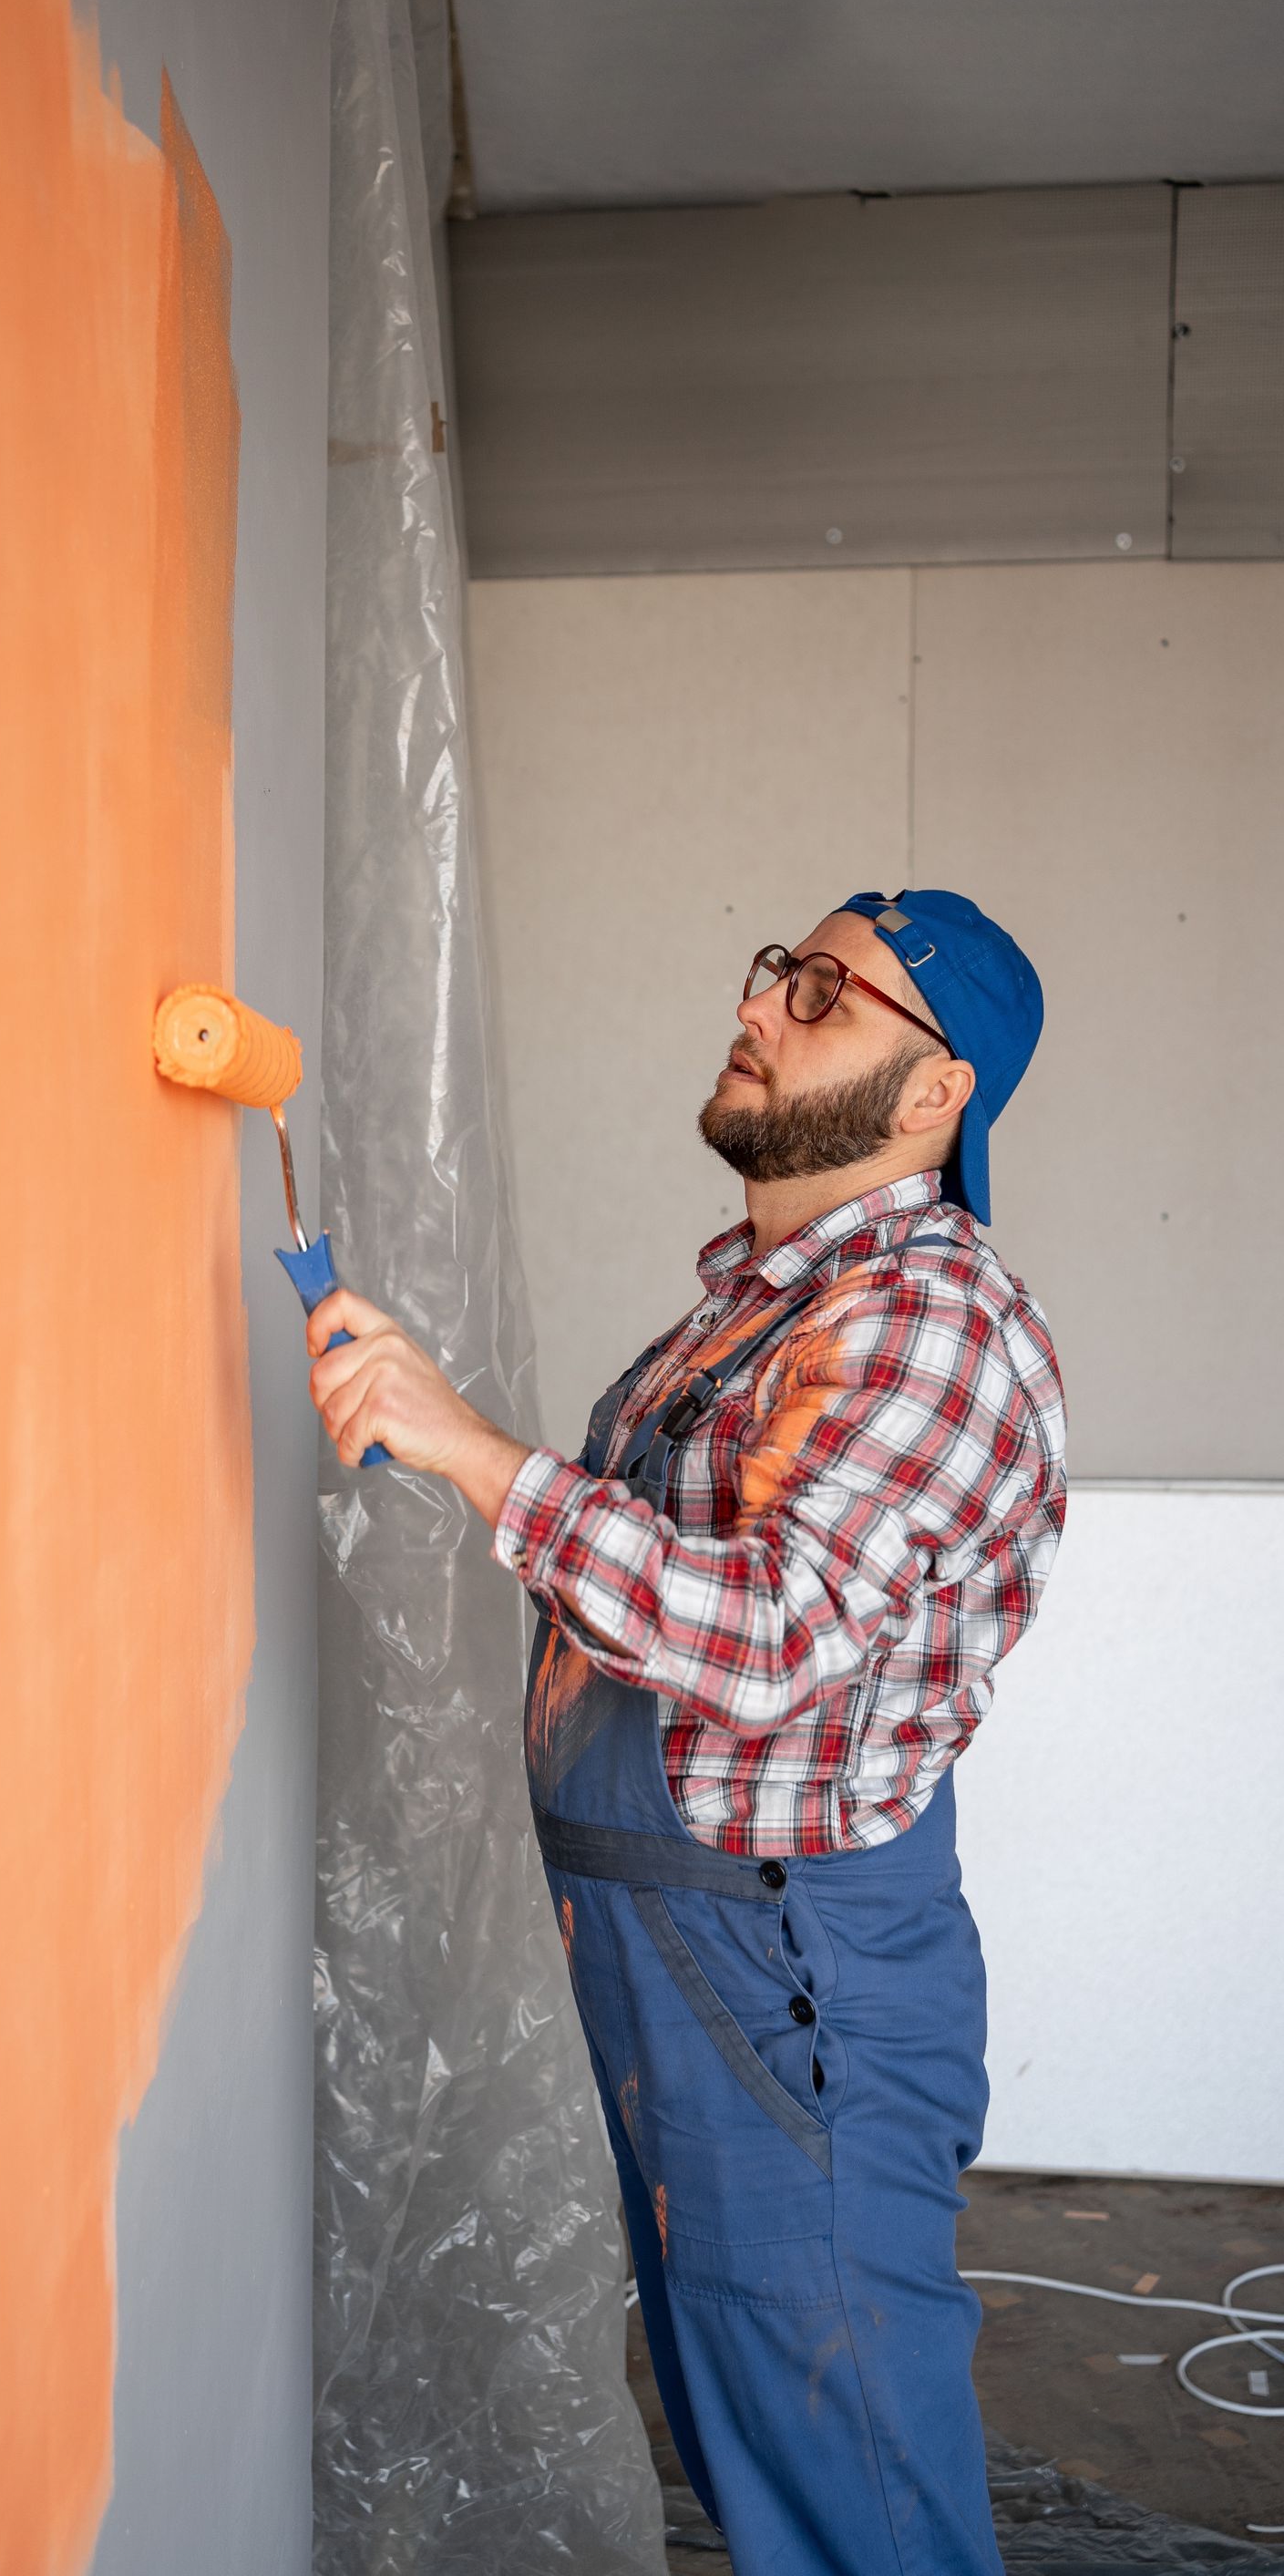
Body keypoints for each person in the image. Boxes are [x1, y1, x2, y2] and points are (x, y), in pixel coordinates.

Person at [305, 889, 1066, 2576]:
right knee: (771, 2469)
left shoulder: (926, 1320)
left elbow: (775, 1636)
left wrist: (473, 1453)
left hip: (799, 1985)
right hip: (690, 1954)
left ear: (938, 1094)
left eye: (826, 994)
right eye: (774, 972)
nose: (769, 1008)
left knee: (853, 2502)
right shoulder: (753, 1314)